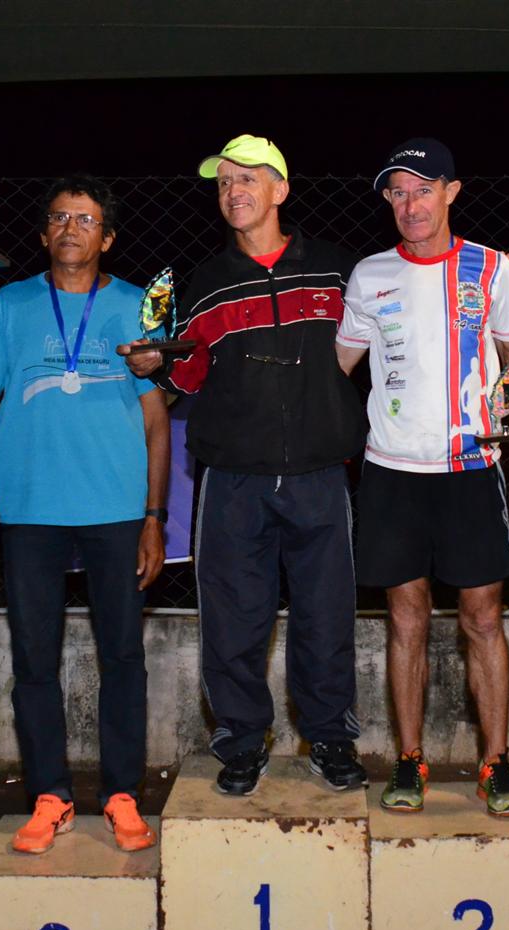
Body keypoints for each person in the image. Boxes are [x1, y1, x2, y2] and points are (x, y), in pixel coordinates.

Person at [123, 134, 368, 797]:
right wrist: (162, 362)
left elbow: (394, 330)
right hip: (231, 477)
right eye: (224, 182)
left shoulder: (338, 271)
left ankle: (332, 739)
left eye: (248, 179)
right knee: (233, 619)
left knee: (326, 616)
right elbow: (194, 379)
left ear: (281, 190)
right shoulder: (204, 282)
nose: (233, 191)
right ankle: (239, 740)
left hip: (320, 471)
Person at [0, 175, 168, 854]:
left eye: (86, 219)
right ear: (43, 234)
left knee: (122, 655)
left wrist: (155, 515)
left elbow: (157, 420)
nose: (72, 228)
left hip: (114, 508)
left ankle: (123, 794)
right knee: (34, 658)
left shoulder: (137, 306)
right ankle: (51, 795)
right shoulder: (9, 303)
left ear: (107, 237)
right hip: (32, 506)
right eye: (60, 218)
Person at [333, 138, 509, 817]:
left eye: (422, 188)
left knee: (483, 617)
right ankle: (409, 761)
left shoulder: (489, 269)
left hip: (471, 467)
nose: (409, 204)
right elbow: (338, 368)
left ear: (451, 192)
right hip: (392, 471)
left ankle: (497, 763)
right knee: (406, 618)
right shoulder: (369, 274)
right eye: (396, 193)